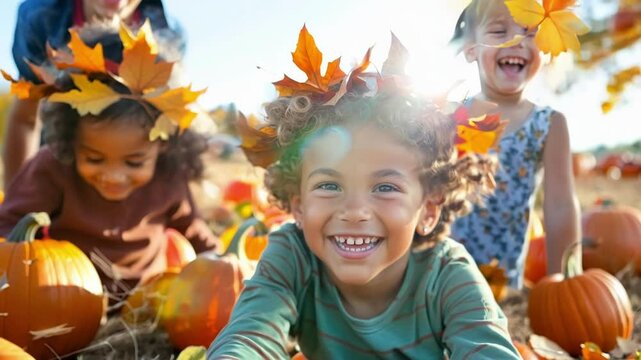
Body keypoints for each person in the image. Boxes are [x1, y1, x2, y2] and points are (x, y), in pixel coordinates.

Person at [207, 27, 520, 359]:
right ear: (298, 205)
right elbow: (250, 335)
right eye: (329, 186)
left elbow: (489, 351)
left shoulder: (446, 274)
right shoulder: (293, 257)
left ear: (428, 208)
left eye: (385, 187)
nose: (355, 211)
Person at [0, 23, 217, 297]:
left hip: (146, 301)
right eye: (94, 158)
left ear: (163, 144)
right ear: (70, 139)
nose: (113, 176)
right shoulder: (53, 167)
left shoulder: (169, 177)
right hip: (65, 295)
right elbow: (9, 224)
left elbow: (198, 236)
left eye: (134, 163)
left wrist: (224, 262)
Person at [449, 0, 581, 288]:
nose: (518, 41)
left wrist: (564, 284)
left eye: (530, 32)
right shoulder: (450, 117)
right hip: (440, 276)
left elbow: (559, 206)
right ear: (471, 48)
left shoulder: (549, 124)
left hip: (502, 288)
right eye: (499, 31)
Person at [4, 0, 179, 189]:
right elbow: (26, 118)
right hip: (63, 155)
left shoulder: (167, 33)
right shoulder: (41, 17)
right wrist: (17, 197)